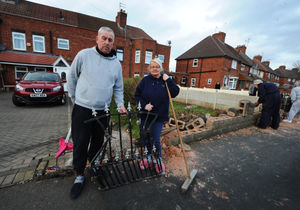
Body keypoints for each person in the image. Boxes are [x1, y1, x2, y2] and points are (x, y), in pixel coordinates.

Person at [67, 26, 126, 199]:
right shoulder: (84, 55)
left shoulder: (116, 64)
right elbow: (71, 77)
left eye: (110, 40)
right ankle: (79, 175)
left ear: (113, 43)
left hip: (103, 111)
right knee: (80, 143)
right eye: (104, 38)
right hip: (83, 109)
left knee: (98, 141)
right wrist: (73, 97)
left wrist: (121, 104)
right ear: (97, 38)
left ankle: (93, 165)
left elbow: (118, 88)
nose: (107, 42)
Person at [135, 57, 179, 173]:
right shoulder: (145, 80)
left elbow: (175, 93)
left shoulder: (165, 80)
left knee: (155, 138)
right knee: (145, 137)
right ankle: (148, 157)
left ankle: (158, 160)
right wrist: (144, 105)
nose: (155, 69)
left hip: (158, 116)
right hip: (145, 115)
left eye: (157, 66)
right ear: (149, 69)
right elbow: (137, 95)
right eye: (152, 67)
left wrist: (169, 80)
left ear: (161, 68)